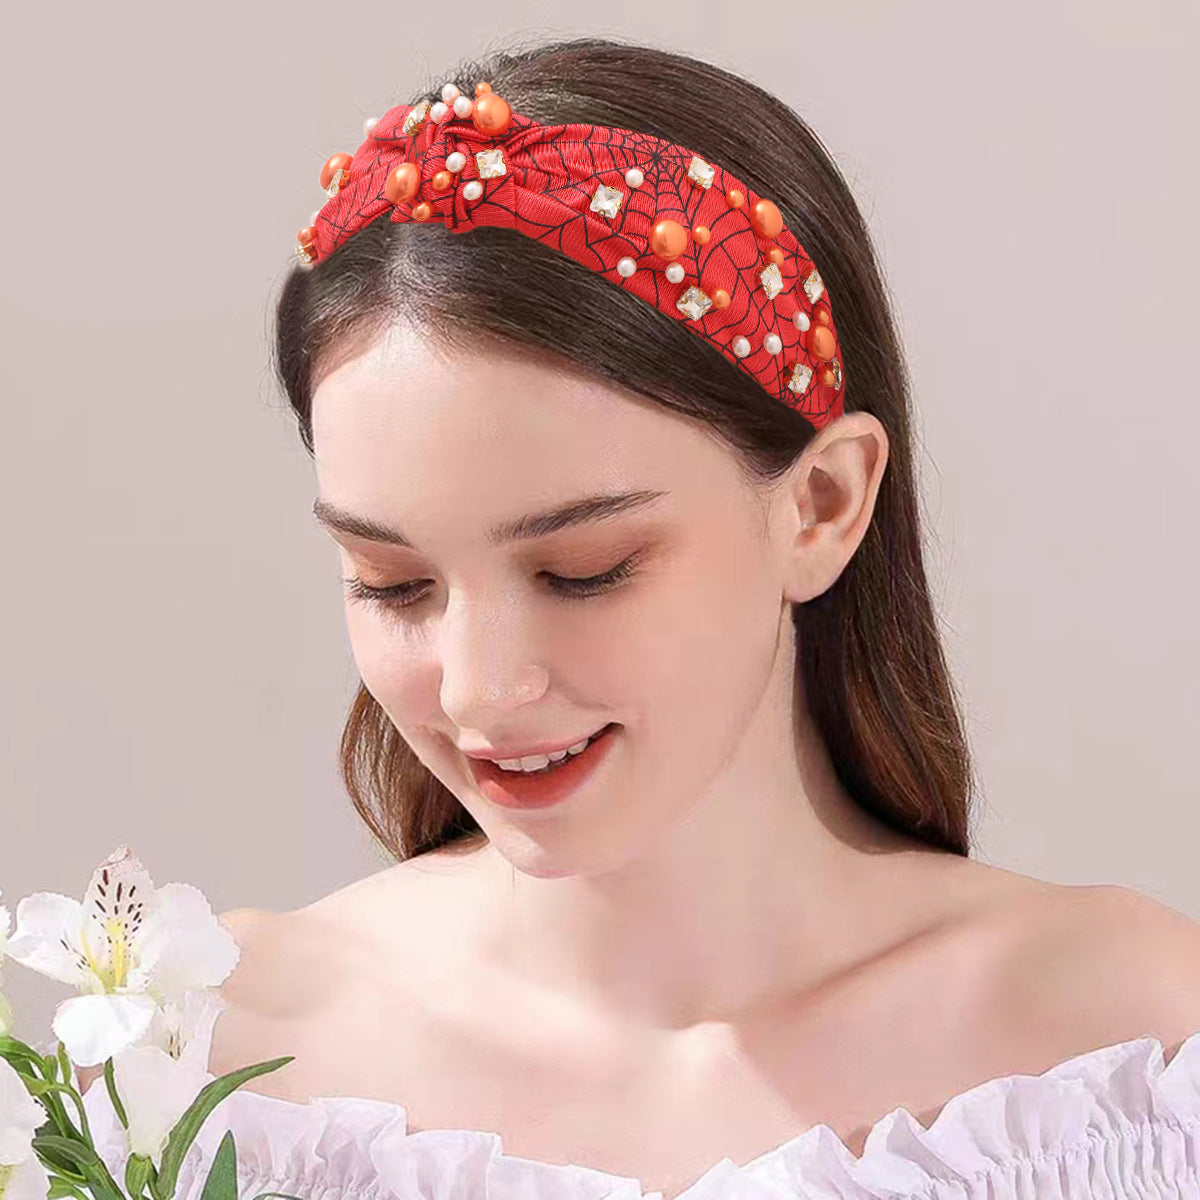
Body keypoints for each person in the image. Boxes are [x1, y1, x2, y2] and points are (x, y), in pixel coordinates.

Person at [84, 34, 1200, 1200]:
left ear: (821, 505)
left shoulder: (1138, 1058)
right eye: (393, 584)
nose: (477, 689)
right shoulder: (204, 1067)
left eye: (584, 568)